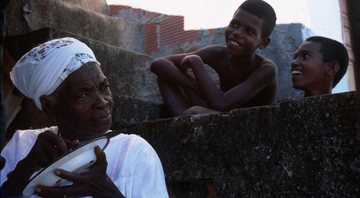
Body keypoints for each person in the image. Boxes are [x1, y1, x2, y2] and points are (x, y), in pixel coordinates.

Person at [0, 37, 169, 198]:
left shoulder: (133, 151)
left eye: (105, 87)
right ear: (48, 106)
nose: (103, 102)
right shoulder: (22, 146)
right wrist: (19, 177)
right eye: (83, 95)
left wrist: (107, 193)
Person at [150, 0, 278, 117]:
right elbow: (158, 64)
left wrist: (196, 62)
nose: (237, 33)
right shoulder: (218, 53)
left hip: (248, 125)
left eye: (249, 31)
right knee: (167, 74)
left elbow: (221, 104)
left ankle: (184, 123)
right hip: (220, 113)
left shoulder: (267, 70)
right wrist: (192, 84)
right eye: (234, 24)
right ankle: (181, 122)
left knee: (194, 112)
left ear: (263, 42)